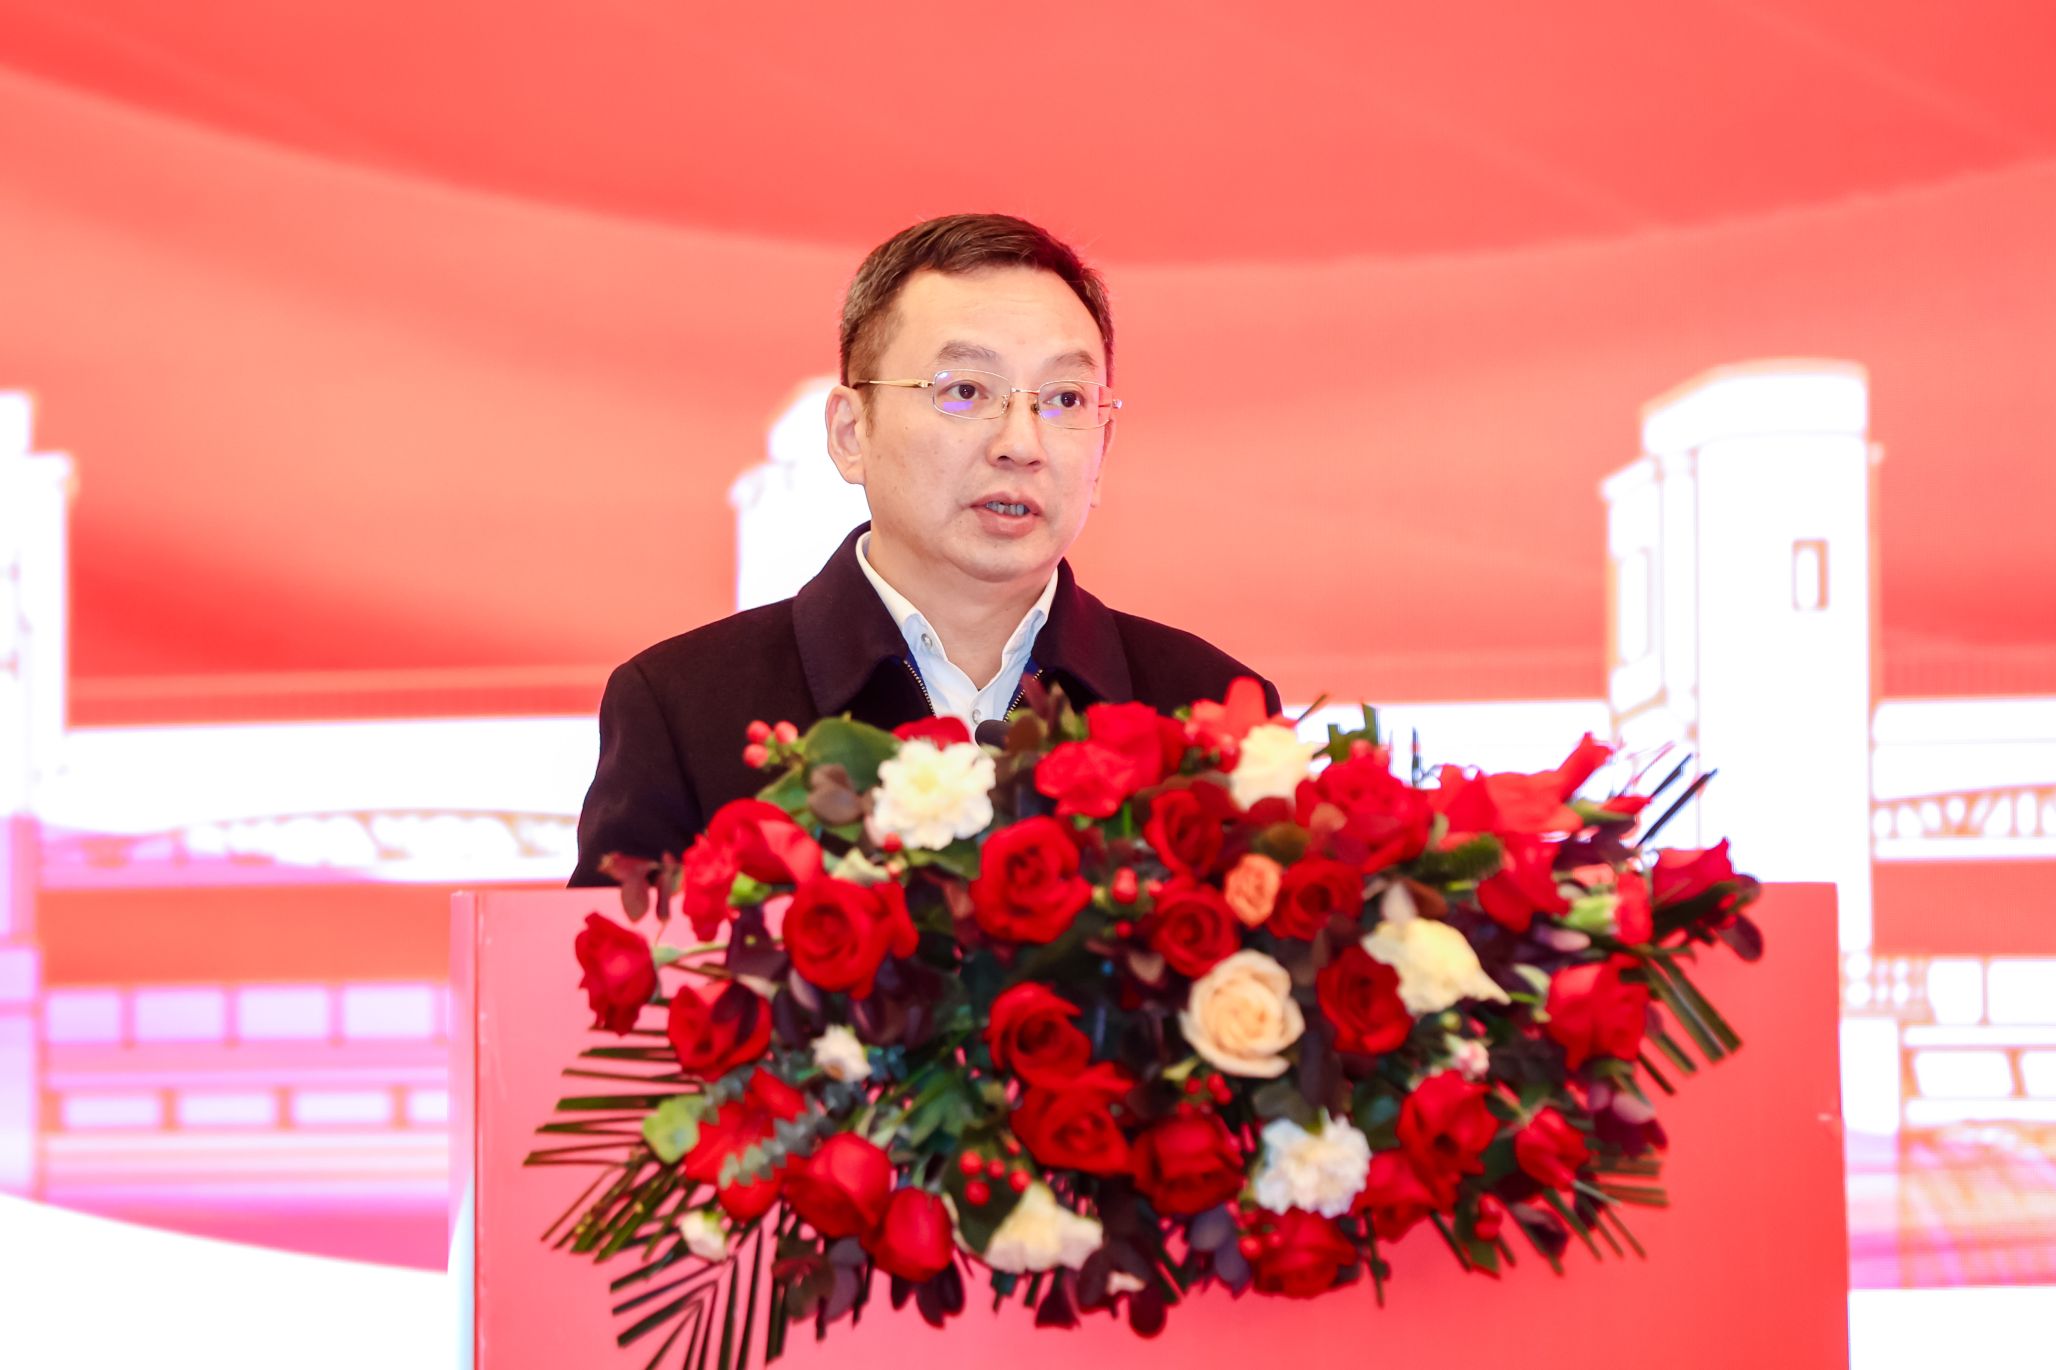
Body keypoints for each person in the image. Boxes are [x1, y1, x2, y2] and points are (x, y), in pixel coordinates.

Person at [570, 213, 1278, 886]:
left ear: (1103, 447)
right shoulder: (684, 709)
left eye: (1064, 399)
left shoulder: (1204, 709)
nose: (1021, 444)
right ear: (851, 433)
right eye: (965, 391)